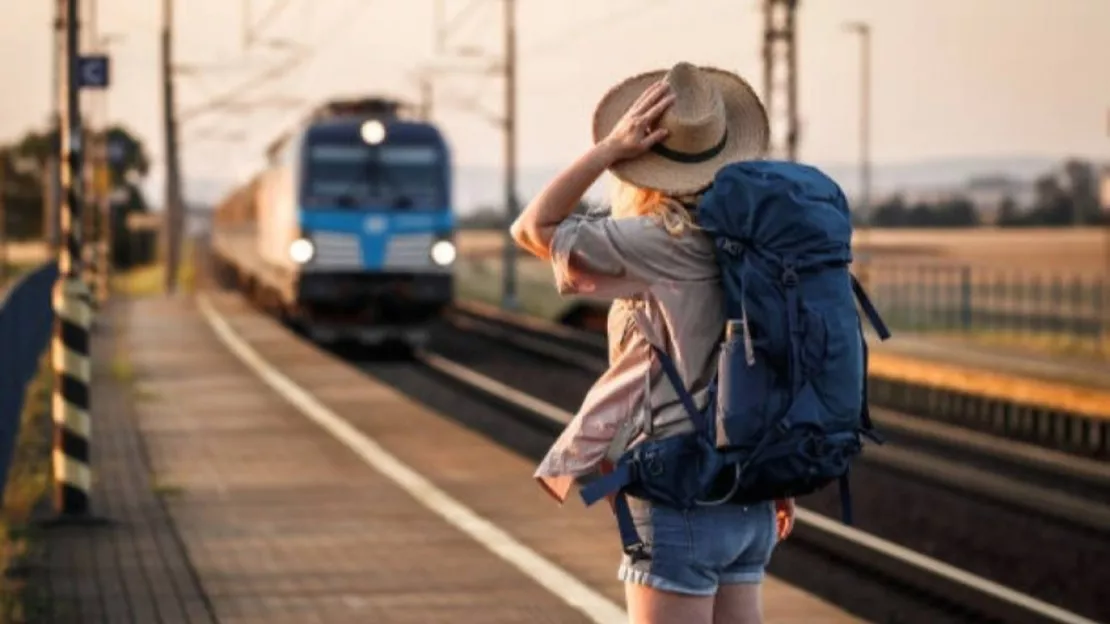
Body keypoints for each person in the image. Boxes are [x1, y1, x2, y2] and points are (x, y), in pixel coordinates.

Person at [510, 62, 797, 624]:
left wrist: (606, 151)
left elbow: (532, 229)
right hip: (753, 496)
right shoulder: (759, 241)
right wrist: (779, 477)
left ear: (644, 165)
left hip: (680, 496)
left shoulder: (661, 241)